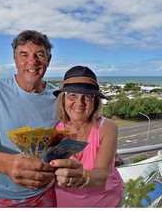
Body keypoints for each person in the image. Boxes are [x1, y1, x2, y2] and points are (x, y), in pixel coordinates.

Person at [0, 30, 57, 207]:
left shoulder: (59, 97)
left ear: (49, 59)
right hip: (6, 197)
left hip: (48, 191)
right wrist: (8, 165)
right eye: (23, 54)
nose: (32, 61)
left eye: (39, 55)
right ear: (15, 59)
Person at [50, 65, 124, 207]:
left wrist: (82, 177)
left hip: (104, 202)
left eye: (87, 96)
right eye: (72, 95)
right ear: (63, 99)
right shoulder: (56, 130)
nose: (80, 103)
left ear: (95, 101)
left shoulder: (107, 128)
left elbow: (102, 175)